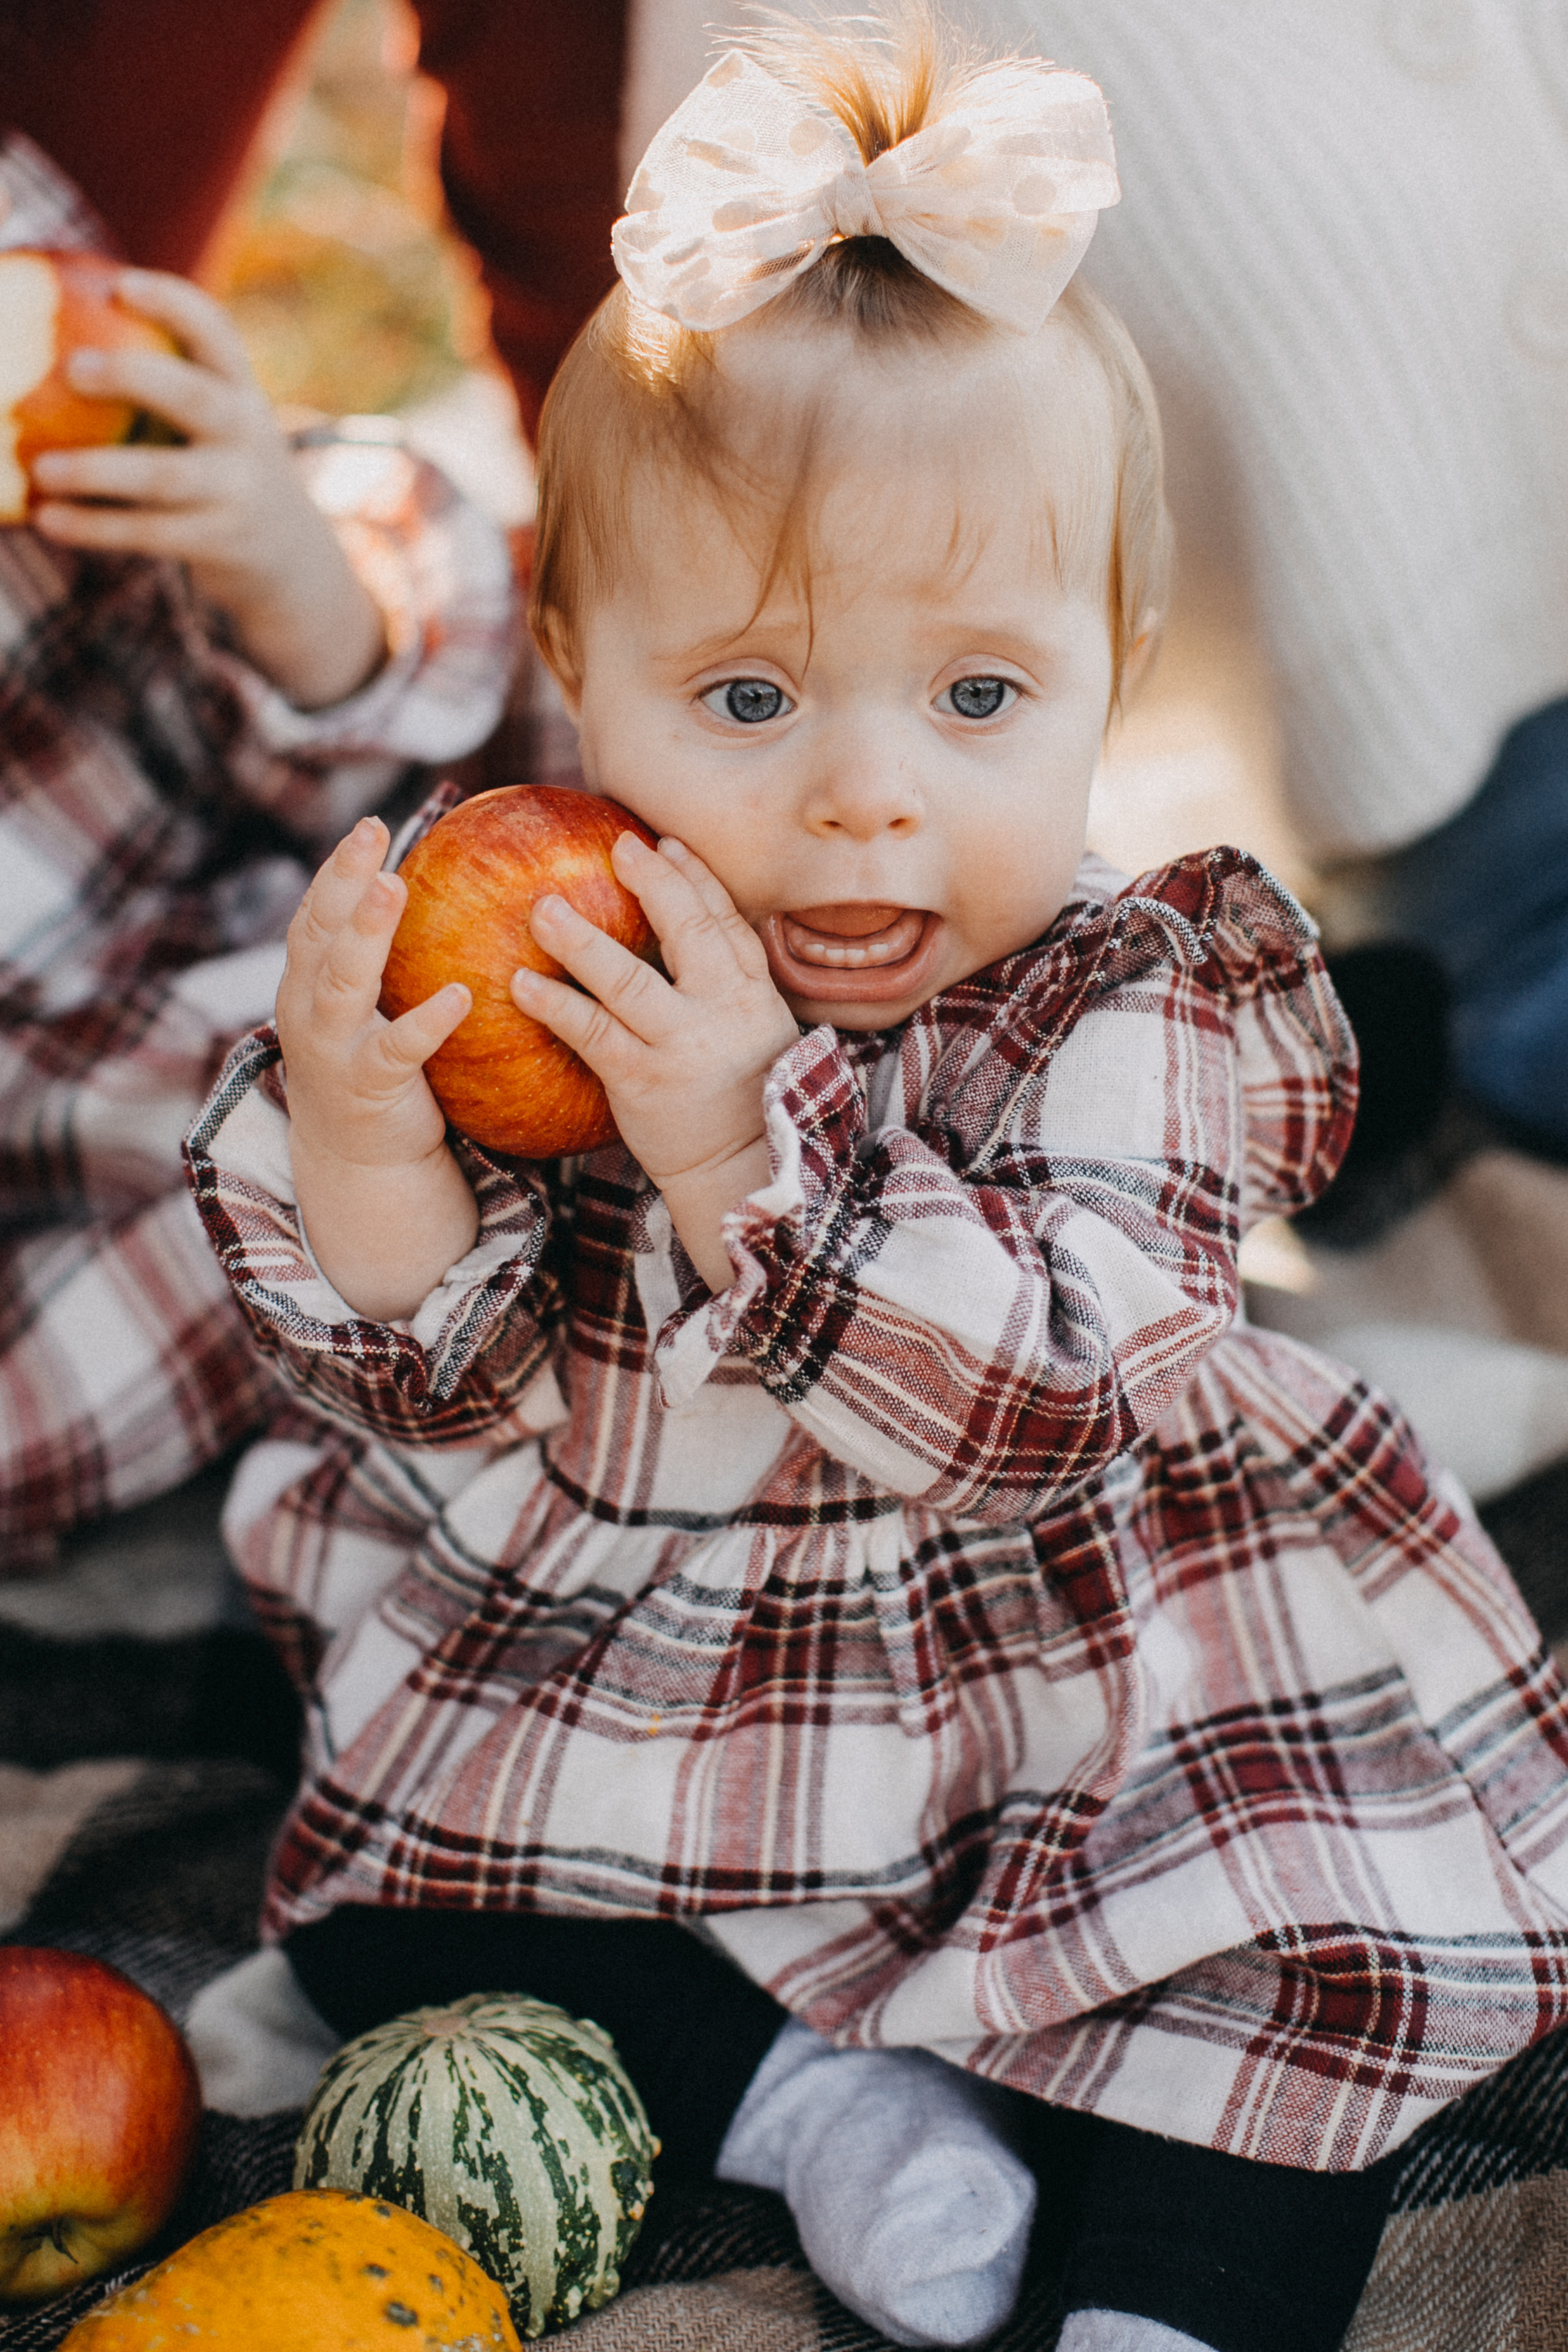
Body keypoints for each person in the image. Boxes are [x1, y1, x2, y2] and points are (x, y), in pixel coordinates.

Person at [183, 16, 1568, 2351]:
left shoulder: (1136, 997)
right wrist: (367, 1133)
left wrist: (743, 1153)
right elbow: (442, 1380)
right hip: (667, 1668)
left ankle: (1162, 2304)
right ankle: (813, 2107)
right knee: (383, 1898)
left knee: (1312, 1933)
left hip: (1078, 1680)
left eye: (978, 699)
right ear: (574, 670)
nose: (863, 796)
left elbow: (1036, 1400)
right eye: (747, 700)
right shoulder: (574, 976)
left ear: (1115, 671)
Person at [0, 129, 514, 1567]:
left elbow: (254, 711)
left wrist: (273, 560)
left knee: (583, 669)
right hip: (65, 1104)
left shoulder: (20, 251)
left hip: (270, 888)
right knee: (234, 1230)